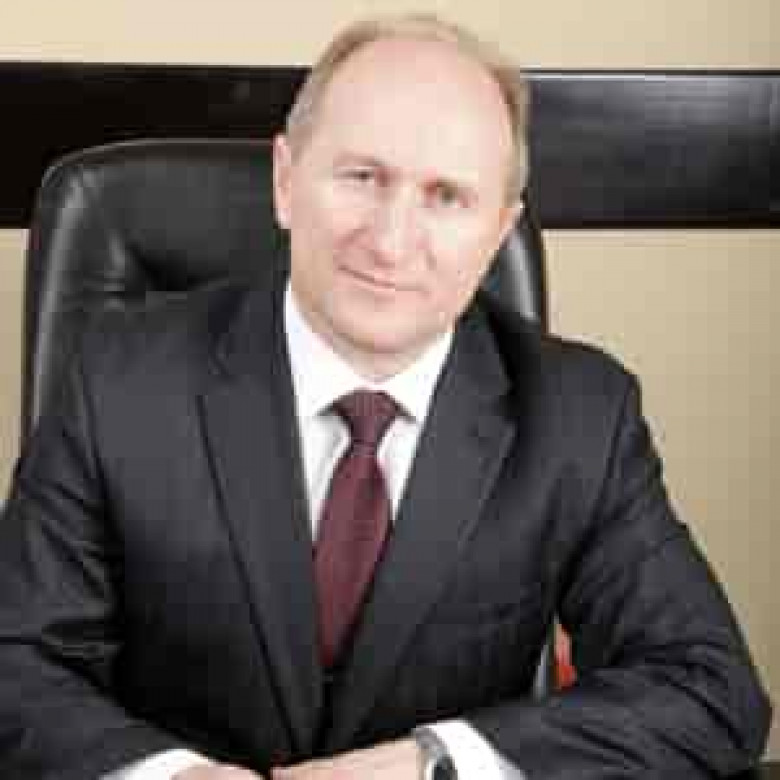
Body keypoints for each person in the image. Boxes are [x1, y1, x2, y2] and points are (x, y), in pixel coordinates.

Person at [0, 13, 771, 780]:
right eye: (363, 177)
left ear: (498, 231)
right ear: (286, 180)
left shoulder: (580, 416)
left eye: (447, 196)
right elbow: (16, 663)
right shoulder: (119, 376)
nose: (392, 240)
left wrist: (437, 764)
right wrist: (173, 778)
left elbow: (710, 691)